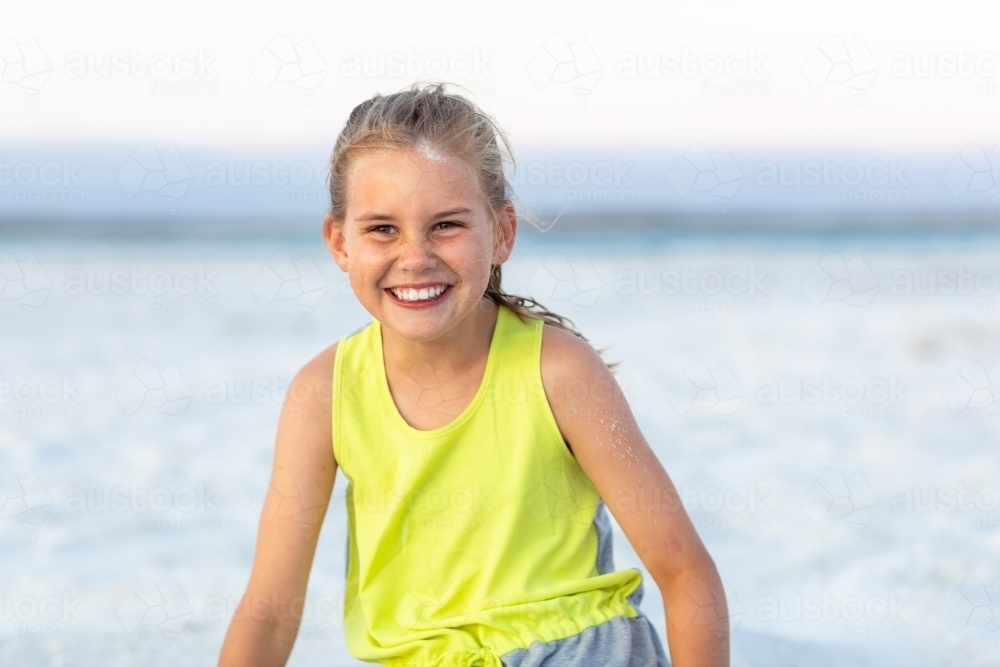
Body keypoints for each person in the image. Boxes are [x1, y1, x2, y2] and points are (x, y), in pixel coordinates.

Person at [218, 83, 729, 667]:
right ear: (340, 242)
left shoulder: (559, 371)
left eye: (446, 226)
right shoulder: (323, 393)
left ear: (502, 233)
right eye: (382, 229)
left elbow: (686, 572)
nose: (415, 257)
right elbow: (270, 607)